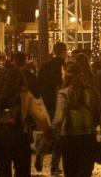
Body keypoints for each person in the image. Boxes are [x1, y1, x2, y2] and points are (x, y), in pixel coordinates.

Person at [0, 65, 51, 177]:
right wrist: (47, 130)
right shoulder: (25, 94)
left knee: (3, 172)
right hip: (20, 138)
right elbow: (39, 117)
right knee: (22, 172)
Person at [52, 62, 101, 177]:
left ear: (66, 76)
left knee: (71, 172)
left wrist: (47, 138)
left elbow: (59, 119)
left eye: (62, 73)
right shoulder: (92, 91)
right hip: (88, 137)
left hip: (69, 138)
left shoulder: (63, 93)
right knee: (85, 172)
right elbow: (99, 115)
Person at [37, 42, 68, 174]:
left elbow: (39, 84)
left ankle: (41, 151)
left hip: (47, 102)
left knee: (52, 129)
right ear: (64, 51)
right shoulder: (64, 67)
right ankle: (54, 164)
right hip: (60, 102)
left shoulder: (45, 66)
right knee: (59, 133)